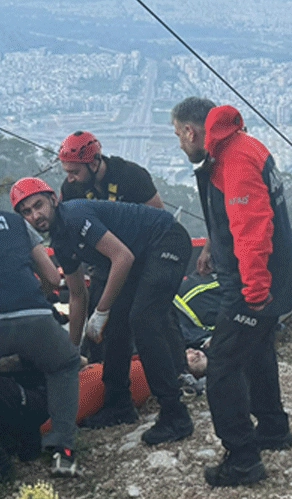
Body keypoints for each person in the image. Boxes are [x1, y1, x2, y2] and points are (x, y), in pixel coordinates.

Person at [171, 97, 292, 487]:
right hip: (266, 272)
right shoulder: (237, 146)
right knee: (257, 348)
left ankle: (243, 459)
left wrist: (255, 291)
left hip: (256, 278)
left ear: (193, 132)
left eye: (179, 135)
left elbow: (252, 228)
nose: (179, 144)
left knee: (224, 365)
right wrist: (214, 244)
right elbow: (231, 213)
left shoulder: (235, 159)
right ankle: (274, 428)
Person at [13, 177, 194, 446]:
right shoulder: (61, 241)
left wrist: (101, 310)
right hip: (140, 254)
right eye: (26, 212)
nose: (35, 215)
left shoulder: (74, 215)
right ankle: (118, 403)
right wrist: (72, 352)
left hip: (165, 240)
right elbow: (77, 295)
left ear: (53, 200)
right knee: (116, 326)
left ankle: (175, 414)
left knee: (143, 320)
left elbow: (122, 258)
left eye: (38, 205)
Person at [58, 131, 166, 364]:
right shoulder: (71, 190)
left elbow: (160, 218)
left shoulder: (130, 175)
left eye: (75, 172)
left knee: (150, 315)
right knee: (100, 321)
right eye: (67, 172)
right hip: (104, 261)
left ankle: (174, 368)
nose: (71, 179)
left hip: (142, 256)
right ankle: (99, 368)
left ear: (95, 163)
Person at [0, 200, 85, 477]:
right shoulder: (16, 223)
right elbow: (51, 275)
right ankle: (64, 450)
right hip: (32, 313)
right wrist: (45, 298)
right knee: (64, 365)